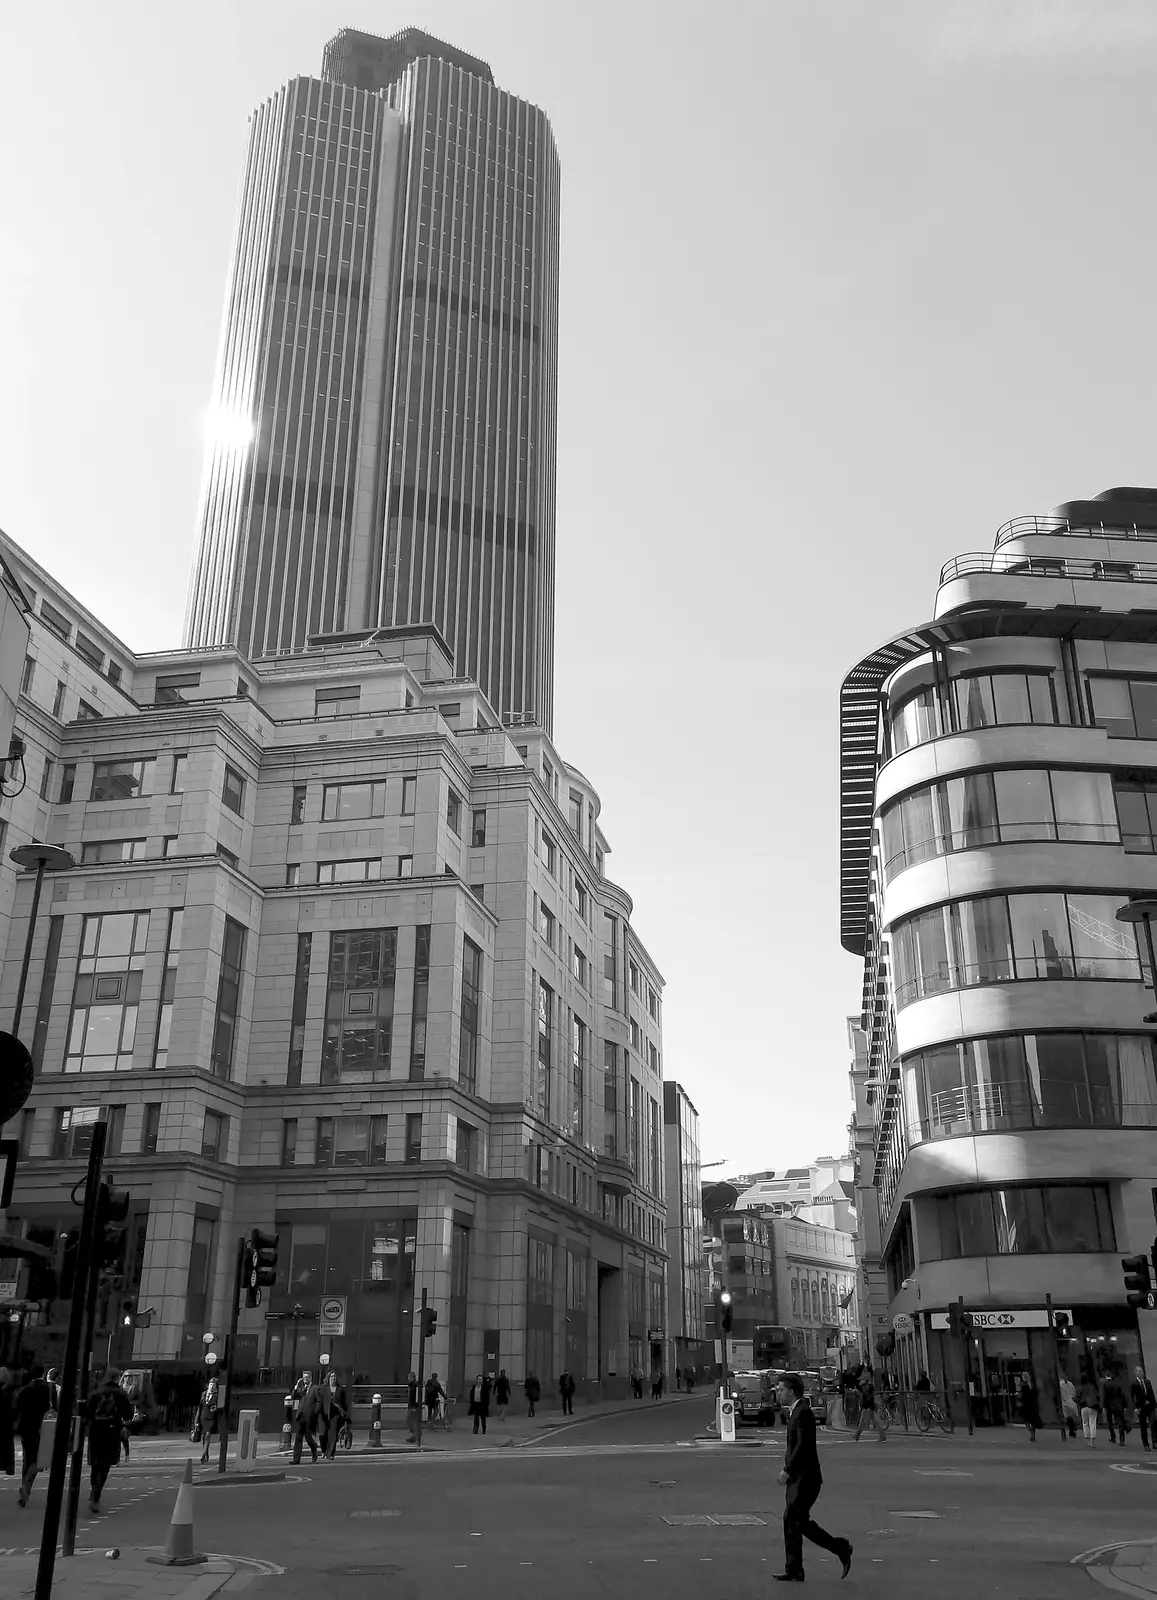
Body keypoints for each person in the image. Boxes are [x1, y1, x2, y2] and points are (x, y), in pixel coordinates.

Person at [773, 1372, 852, 1584]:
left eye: (780, 1390)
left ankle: (840, 1548)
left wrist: (788, 1469)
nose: (778, 1393)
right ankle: (794, 1570)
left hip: (805, 1478)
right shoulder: (795, 1411)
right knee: (792, 1522)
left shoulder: (803, 1413)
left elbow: (803, 1446)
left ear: (790, 1391)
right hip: (797, 1478)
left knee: (798, 1521)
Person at [86, 1369, 132, 1514]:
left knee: (95, 1463)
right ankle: (96, 1494)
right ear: (117, 1378)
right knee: (105, 1465)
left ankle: (94, 1490)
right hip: (111, 1431)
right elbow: (128, 1415)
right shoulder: (120, 1394)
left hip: (95, 1430)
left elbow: (87, 1412)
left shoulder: (95, 1393)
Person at [14, 1365, 53, 1507]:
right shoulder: (47, 1388)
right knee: (37, 1459)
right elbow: (51, 1407)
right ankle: (27, 1485)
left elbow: (17, 1408)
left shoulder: (25, 1389)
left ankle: (25, 1485)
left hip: (26, 1427)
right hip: (41, 1426)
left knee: (27, 1457)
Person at [291, 1371, 320, 1464]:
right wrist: (296, 1386)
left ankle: (314, 1448)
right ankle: (296, 1460)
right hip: (301, 1416)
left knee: (308, 1437)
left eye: (307, 1377)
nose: (305, 1379)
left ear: (311, 1378)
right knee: (298, 1438)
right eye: (304, 1378)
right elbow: (293, 1396)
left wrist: (315, 1412)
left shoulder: (315, 1388)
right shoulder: (301, 1389)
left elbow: (319, 1402)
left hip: (310, 1417)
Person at [319, 1370, 348, 1459]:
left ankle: (330, 1453)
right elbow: (319, 1402)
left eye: (334, 1377)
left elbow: (344, 1404)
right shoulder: (323, 1388)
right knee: (322, 1435)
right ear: (328, 1378)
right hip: (324, 1414)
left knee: (333, 1435)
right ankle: (323, 1450)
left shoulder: (340, 1389)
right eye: (331, 1377)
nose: (333, 1379)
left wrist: (345, 1416)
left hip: (336, 1415)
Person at [853, 1369, 886, 1443]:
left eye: (864, 1374)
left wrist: (858, 1390)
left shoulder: (865, 1386)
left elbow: (865, 1396)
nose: (862, 1375)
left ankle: (857, 1435)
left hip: (867, 1406)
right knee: (874, 1421)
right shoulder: (870, 1385)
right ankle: (882, 1435)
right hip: (870, 1405)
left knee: (863, 1421)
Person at [197, 1372, 222, 1465]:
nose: (211, 1386)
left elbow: (220, 1407)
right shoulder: (204, 1394)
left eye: (213, 1385)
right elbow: (199, 1407)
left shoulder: (217, 1395)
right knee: (204, 1437)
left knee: (207, 1435)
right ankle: (206, 1453)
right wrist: (196, 1420)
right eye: (210, 1384)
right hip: (203, 1417)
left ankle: (203, 1454)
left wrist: (216, 1408)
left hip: (212, 1418)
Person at [1131, 1366, 1156, 1452]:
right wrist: (1136, 1407)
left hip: (1150, 1406)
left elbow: (1152, 1394)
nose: (1142, 1373)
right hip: (1141, 1407)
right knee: (1143, 1426)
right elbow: (1132, 1397)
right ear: (1136, 1373)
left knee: (1153, 1423)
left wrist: (1154, 1405)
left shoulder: (1147, 1382)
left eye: (1142, 1371)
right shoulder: (1134, 1384)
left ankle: (1155, 1441)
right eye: (1140, 1372)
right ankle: (1146, 1444)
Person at [1104, 1374, 1128, 1447]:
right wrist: (1124, 1405)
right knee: (1120, 1423)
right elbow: (1122, 1395)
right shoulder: (1117, 1385)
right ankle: (1122, 1439)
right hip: (1117, 1407)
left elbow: (1105, 1397)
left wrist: (1105, 1406)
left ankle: (1113, 1437)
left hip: (1109, 1407)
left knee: (1110, 1423)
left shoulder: (1105, 1385)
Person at [1018, 1373, 1041, 1443]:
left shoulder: (1022, 1385)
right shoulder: (1032, 1384)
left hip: (1025, 1405)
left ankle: (1031, 1432)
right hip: (1032, 1404)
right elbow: (1036, 1393)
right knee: (1033, 1420)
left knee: (1025, 1419)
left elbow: (1021, 1395)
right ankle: (1033, 1434)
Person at [1079, 1374, 1100, 1448]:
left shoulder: (1081, 1388)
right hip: (1092, 1406)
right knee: (1092, 1423)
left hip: (1083, 1406)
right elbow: (1098, 1396)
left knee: (1085, 1423)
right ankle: (1092, 1442)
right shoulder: (1093, 1387)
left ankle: (1088, 1441)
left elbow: (1078, 1397)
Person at [1059, 1375, 1079, 1440]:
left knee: (1068, 1417)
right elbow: (1074, 1392)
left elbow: (1061, 1393)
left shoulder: (1061, 1384)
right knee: (1069, 1416)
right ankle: (1072, 1430)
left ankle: (1072, 1429)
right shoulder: (1070, 1383)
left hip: (1065, 1402)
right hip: (1070, 1401)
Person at [406, 1371, 420, 1443]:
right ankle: (415, 1434)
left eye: (408, 1377)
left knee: (411, 1421)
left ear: (412, 1377)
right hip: (411, 1406)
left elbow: (416, 1397)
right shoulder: (411, 1385)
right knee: (410, 1421)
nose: (407, 1378)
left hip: (412, 1406)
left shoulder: (414, 1385)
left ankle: (416, 1434)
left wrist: (415, 1406)